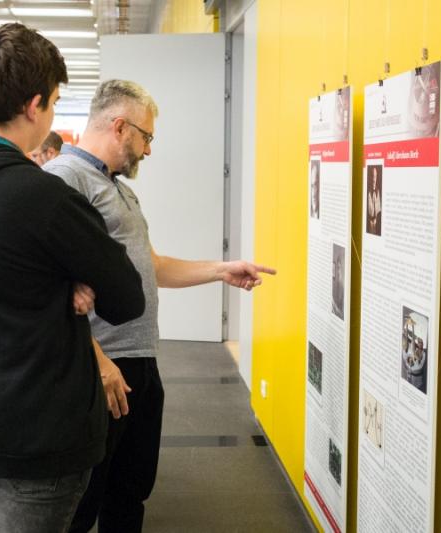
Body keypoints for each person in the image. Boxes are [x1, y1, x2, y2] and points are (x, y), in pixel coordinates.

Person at [0, 24, 145, 533]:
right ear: (34, 105)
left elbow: (2, 280)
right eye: (55, 102)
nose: (54, 114)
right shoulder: (46, 198)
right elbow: (127, 298)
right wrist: (72, 280)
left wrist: (59, 280)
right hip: (40, 432)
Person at [43, 79, 277, 533]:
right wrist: (99, 362)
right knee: (81, 505)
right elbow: (48, 288)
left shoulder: (118, 188)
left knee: (129, 492)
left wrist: (220, 270)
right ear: (119, 126)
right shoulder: (65, 179)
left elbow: (151, 265)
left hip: (139, 363)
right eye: (146, 136)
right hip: (102, 370)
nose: (148, 149)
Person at [366, 165, 382, 236]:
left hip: (376, 223)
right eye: (372, 176)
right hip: (368, 222)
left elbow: (379, 210)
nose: (374, 179)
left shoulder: (378, 191)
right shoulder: (367, 192)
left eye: (375, 176)